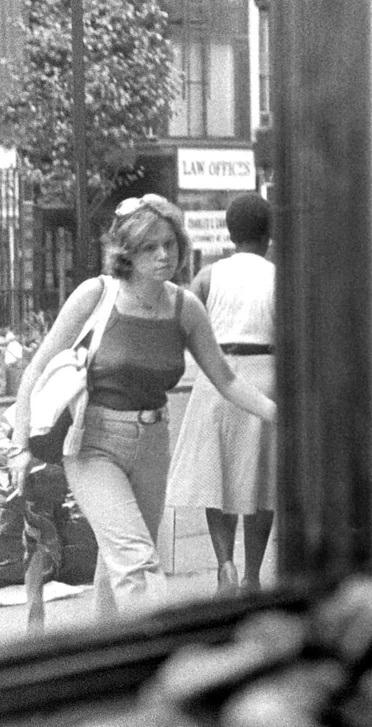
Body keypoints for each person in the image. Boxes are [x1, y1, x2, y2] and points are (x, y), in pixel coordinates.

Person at [6, 194, 277, 617]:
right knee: (136, 563)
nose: (163, 254)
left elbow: (226, 379)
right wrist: (19, 448)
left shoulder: (185, 308)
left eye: (170, 244)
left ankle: (104, 662)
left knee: (119, 566)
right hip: (93, 444)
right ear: (126, 253)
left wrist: (281, 414)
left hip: (153, 443)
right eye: (150, 247)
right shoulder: (95, 295)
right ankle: (160, 650)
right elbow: (35, 371)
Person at [166, 194, 277, 595]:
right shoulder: (278, 276)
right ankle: (251, 575)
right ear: (269, 234)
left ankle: (224, 564)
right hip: (264, 376)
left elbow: (183, 324)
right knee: (260, 483)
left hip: (217, 377)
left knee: (219, 478)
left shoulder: (208, 277)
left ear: (230, 233)